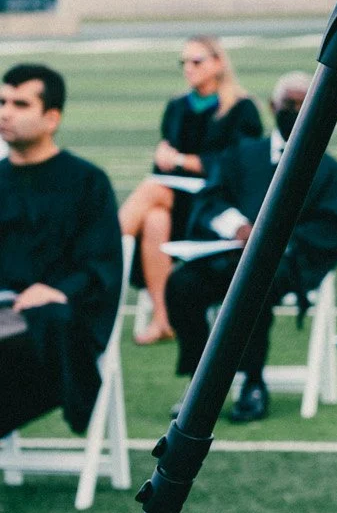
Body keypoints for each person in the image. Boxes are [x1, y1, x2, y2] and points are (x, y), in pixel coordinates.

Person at [165, 71, 337, 423]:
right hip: (224, 256)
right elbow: (209, 201)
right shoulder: (241, 155)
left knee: (254, 280)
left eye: (304, 105)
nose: (296, 111)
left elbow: (330, 230)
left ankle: (252, 381)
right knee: (180, 284)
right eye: (289, 104)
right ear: (272, 106)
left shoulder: (329, 172)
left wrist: (275, 240)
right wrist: (237, 227)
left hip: (284, 265)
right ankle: (198, 382)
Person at [0, 63, 122, 440]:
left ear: (51, 118)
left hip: (57, 317)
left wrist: (57, 290)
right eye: (2, 101)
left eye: (20, 104)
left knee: (49, 321)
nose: (5, 112)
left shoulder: (86, 182)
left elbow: (100, 264)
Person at [119, 36, 262, 345]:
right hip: (175, 199)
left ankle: (106, 242)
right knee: (155, 218)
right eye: (183, 62)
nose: (188, 68)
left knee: (153, 190)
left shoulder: (242, 108)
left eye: (196, 61)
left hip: (217, 207)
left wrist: (183, 160)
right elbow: (166, 160)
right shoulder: (176, 106)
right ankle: (163, 319)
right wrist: (163, 158)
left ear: (218, 63)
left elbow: (241, 165)